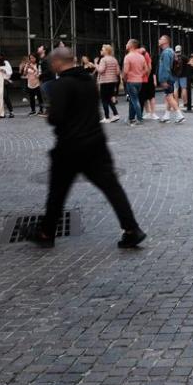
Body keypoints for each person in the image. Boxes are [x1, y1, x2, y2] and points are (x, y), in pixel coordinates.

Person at [30, 47, 147, 249]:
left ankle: (47, 232)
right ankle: (132, 229)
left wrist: (51, 115)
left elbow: (56, 118)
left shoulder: (60, 86)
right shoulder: (88, 81)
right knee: (112, 189)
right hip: (95, 144)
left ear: (58, 63)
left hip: (69, 147)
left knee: (57, 192)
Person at [157, 35, 185, 123]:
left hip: (167, 78)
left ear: (166, 41)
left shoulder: (166, 53)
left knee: (169, 96)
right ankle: (166, 115)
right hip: (172, 77)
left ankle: (179, 115)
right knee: (169, 96)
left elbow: (166, 67)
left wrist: (164, 80)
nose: (159, 40)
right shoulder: (171, 51)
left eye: (161, 39)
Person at [122, 39, 147, 125]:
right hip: (139, 81)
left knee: (135, 100)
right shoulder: (141, 57)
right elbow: (146, 69)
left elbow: (125, 71)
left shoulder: (128, 57)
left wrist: (124, 78)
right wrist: (140, 75)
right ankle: (131, 118)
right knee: (133, 99)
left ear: (131, 46)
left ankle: (139, 119)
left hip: (131, 81)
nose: (126, 45)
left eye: (127, 43)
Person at [96, 44, 121, 123]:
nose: (101, 51)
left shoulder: (103, 60)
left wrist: (96, 64)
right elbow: (118, 72)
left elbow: (101, 70)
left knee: (104, 100)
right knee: (109, 98)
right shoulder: (114, 59)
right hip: (113, 81)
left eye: (102, 49)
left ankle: (107, 117)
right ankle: (116, 114)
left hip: (105, 82)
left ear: (106, 51)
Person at [138, 47, 158, 119]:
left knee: (151, 97)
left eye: (143, 52)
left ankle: (153, 113)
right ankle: (148, 112)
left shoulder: (150, 60)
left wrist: (154, 80)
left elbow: (153, 72)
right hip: (143, 80)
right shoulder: (140, 59)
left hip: (149, 80)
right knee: (145, 98)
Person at [172, 44, 188, 108]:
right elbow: (190, 62)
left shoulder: (173, 57)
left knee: (175, 89)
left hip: (175, 75)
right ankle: (185, 102)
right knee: (183, 88)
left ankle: (176, 103)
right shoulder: (184, 57)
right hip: (183, 75)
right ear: (181, 49)